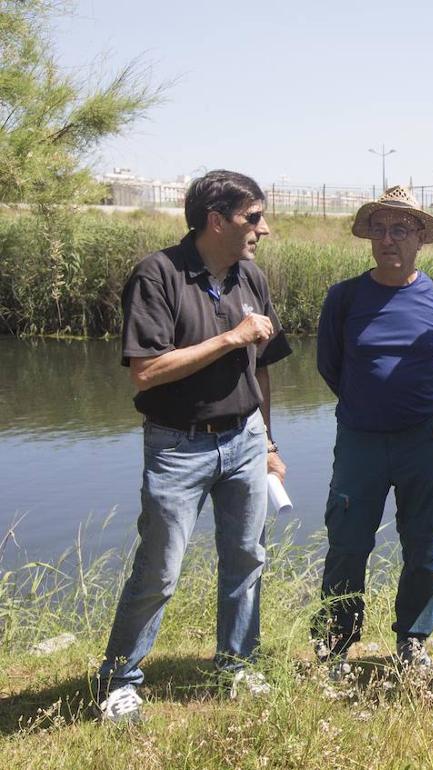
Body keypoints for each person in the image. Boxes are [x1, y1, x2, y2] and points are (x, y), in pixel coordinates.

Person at [96, 170, 292, 722]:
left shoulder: (250, 277)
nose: (264, 229)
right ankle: (119, 680)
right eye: (253, 218)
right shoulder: (157, 275)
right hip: (178, 447)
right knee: (160, 567)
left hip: (246, 440)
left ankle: (237, 666)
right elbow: (147, 371)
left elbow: (264, 370)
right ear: (216, 221)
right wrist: (231, 337)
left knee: (247, 559)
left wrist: (270, 442)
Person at [312, 187, 433, 673]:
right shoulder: (345, 297)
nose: (388, 239)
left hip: (424, 438)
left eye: (400, 229)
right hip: (359, 440)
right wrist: (369, 404)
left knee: (423, 545)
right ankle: (335, 645)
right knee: (347, 543)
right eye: (379, 229)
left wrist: (419, 406)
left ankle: (413, 640)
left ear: (420, 237)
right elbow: (329, 366)